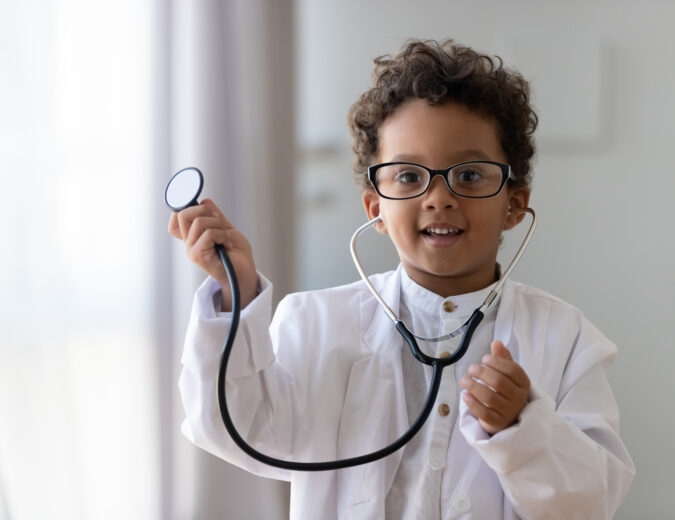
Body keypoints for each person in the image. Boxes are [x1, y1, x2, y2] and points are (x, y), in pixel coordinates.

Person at [169, 39, 635, 519]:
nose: (439, 197)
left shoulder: (566, 340)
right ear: (376, 209)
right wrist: (237, 297)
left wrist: (523, 427)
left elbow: (592, 500)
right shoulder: (317, 323)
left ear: (513, 204)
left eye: (471, 175)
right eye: (409, 177)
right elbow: (236, 429)